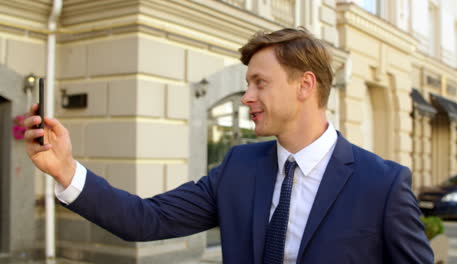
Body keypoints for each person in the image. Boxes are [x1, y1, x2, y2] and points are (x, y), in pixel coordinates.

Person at [25, 28, 433, 263]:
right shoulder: (239, 166)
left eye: (260, 83)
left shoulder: (383, 184)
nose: (246, 98)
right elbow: (144, 219)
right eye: (246, 84)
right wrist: (65, 169)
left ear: (305, 85)